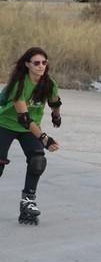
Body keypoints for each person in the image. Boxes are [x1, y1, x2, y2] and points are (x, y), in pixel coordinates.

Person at [0, 47, 61, 225]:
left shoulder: (49, 83)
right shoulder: (19, 84)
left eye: (44, 62)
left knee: (37, 160)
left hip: (28, 129)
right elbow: (25, 119)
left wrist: (56, 115)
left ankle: (28, 202)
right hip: (5, 124)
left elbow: (54, 101)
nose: (41, 66)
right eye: (36, 63)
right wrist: (45, 139)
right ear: (27, 64)